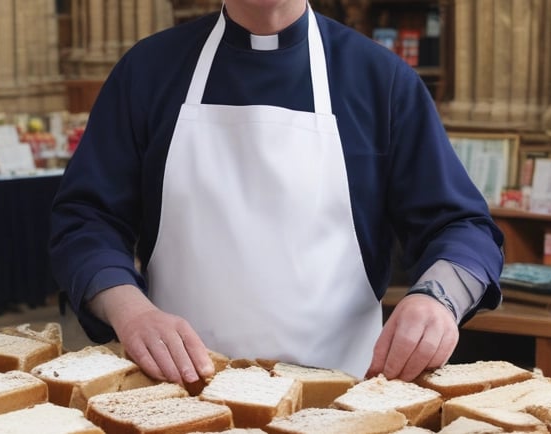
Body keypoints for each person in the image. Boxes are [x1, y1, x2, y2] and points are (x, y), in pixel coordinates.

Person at [50, 0, 504, 385]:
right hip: (179, 393)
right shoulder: (148, 72)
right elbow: (86, 220)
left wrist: (437, 299)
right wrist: (130, 312)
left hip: (342, 396)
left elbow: (463, 227)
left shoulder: (380, 81)